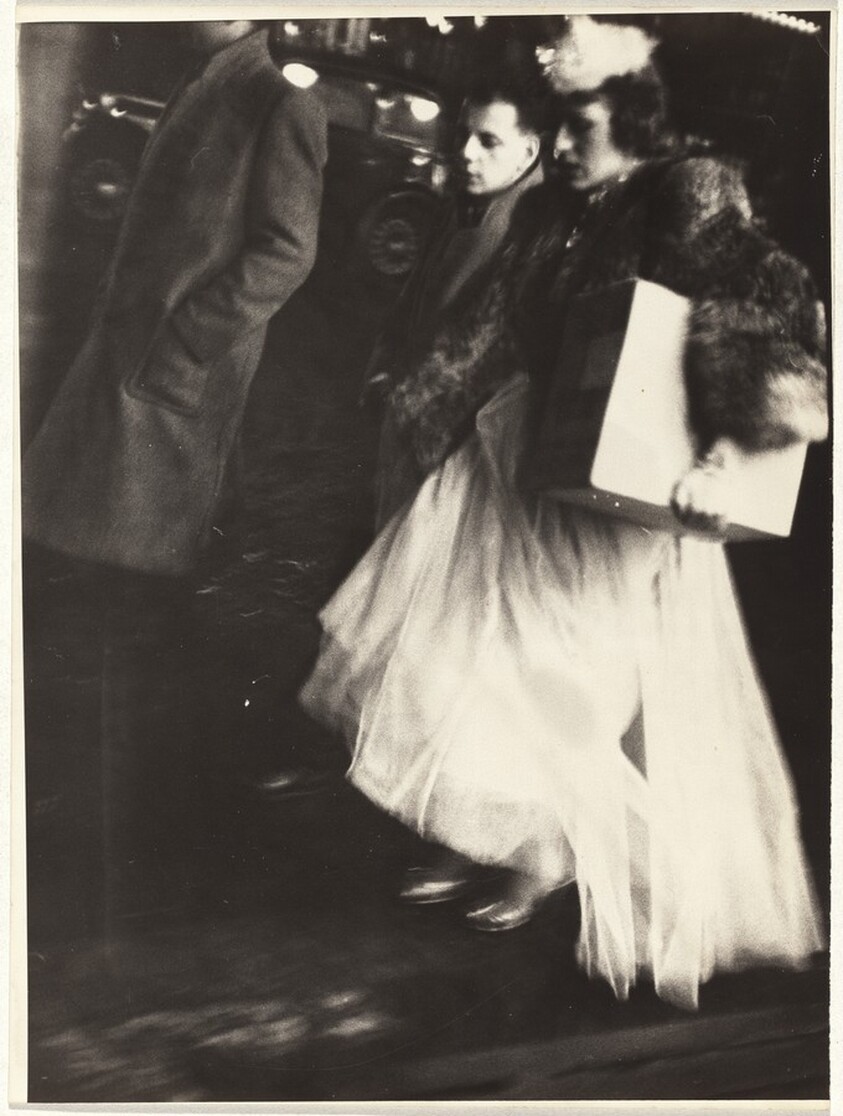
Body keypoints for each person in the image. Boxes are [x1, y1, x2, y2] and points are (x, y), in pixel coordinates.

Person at [299, 18, 827, 1009]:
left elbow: (770, 318)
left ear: (627, 117)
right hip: (519, 459)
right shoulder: (556, 211)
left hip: (620, 485)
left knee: (557, 672)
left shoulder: (688, 192)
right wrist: (422, 400)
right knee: (460, 652)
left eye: (581, 122)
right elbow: (497, 325)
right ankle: (480, 834)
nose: (567, 142)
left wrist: (725, 450)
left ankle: (539, 855)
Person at [22, 21, 328, 936]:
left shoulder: (280, 100)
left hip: (166, 391)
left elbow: (285, 251)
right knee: (113, 596)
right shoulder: (207, 80)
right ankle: (111, 821)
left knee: (138, 602)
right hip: (131, 380)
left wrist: (186, 342)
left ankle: (136, 845)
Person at [363, 69, 551, 529]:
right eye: (465, 135)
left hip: (460, 466)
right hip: (413, 438)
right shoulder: (466, 208)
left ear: (529, 152)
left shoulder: (531, 237)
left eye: (489, 142)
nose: (467, 152)